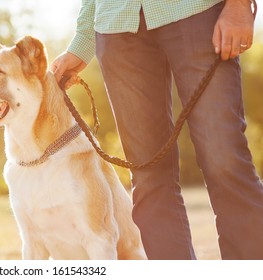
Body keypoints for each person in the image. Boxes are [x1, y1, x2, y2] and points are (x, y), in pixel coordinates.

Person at [51, 0, 263, 260]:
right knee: (148, 177)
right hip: (117, 26)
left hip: (196, 13)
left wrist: (239, 5)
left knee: (225, 161)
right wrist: (83, 39)